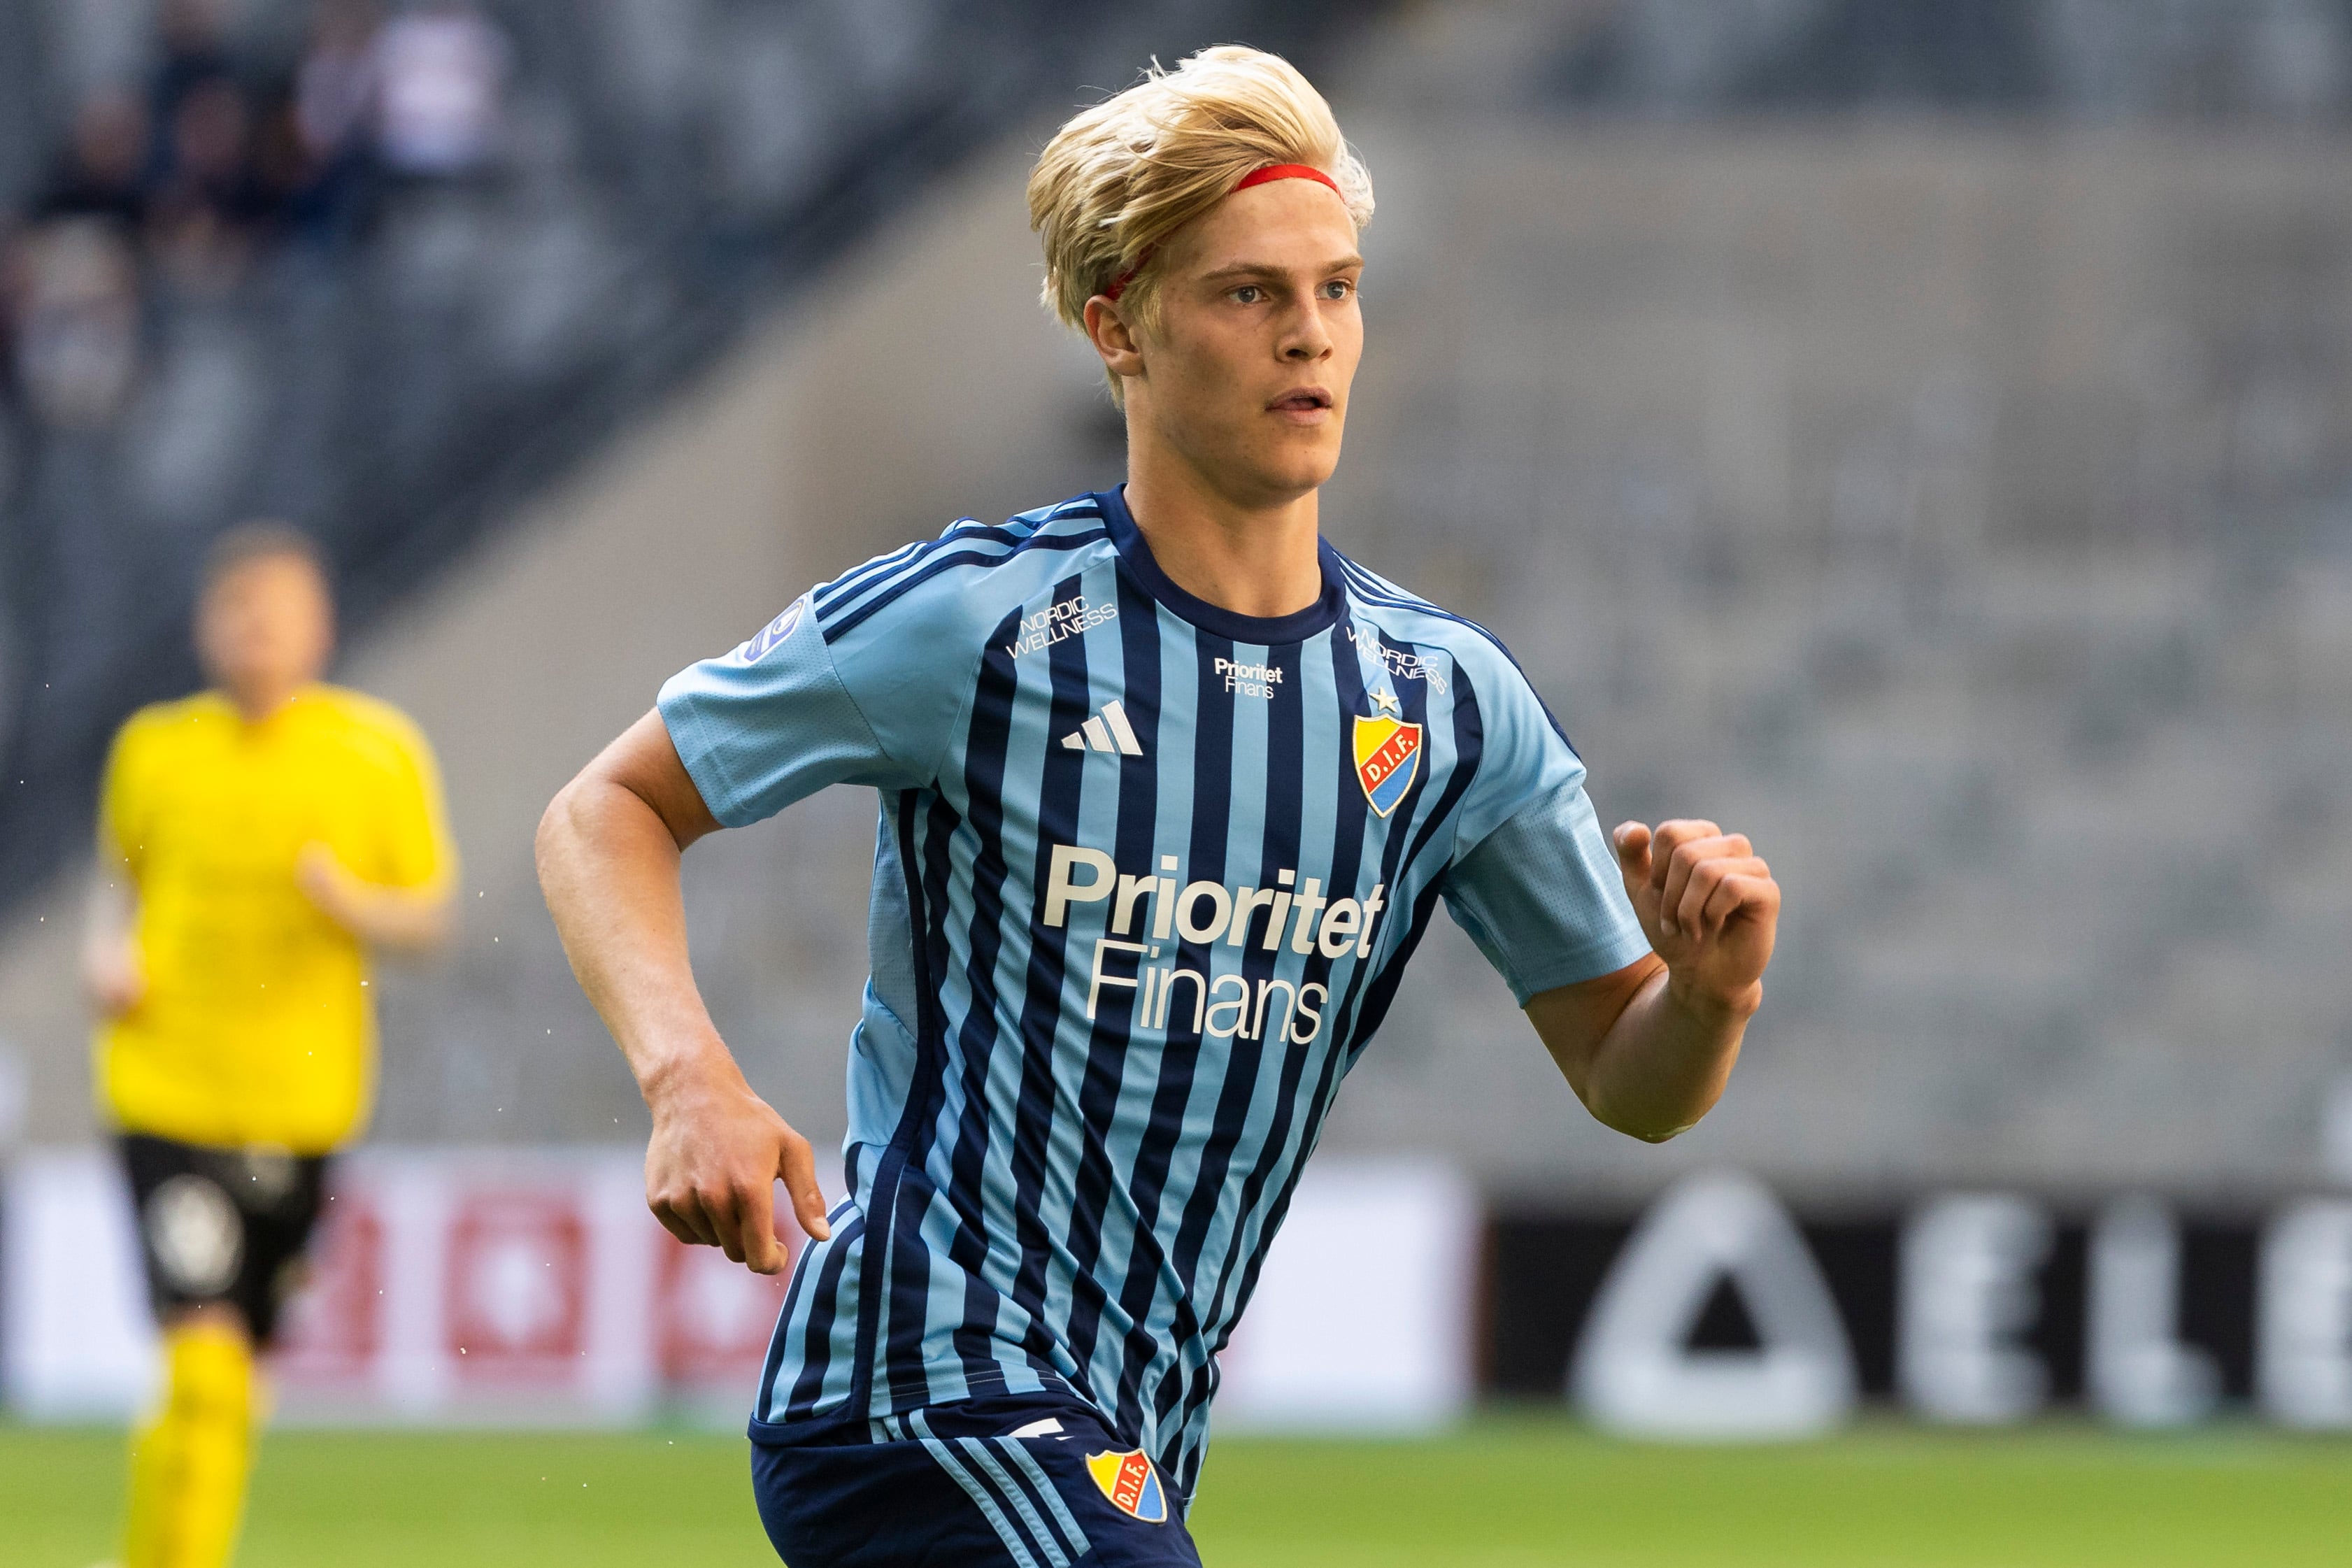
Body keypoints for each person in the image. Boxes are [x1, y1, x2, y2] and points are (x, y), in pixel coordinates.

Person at [536, 45, 1781, 1568]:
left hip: (1125, 1437)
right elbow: (604, 809)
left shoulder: (1446, 702)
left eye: (1336, 289)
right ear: (1118, 326)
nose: (1308, 337)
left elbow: (1625, 1069)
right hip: (914, 1389)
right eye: (1248, 294)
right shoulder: (977, 622)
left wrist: (1708, 994)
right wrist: (688, 1078)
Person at [85, 522, 456, 1568]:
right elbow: (118, 885)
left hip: (305, 1101)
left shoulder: (376, 750)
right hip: (167, 1088)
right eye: (236, 611)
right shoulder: (153, 747)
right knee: (205, 1361)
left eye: (275, 611)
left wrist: (351, 904)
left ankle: (167, 1533)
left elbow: (429, 913)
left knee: (235, 1379)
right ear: (207, 626)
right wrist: (105, 957)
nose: (254, 632)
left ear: (318, 626)